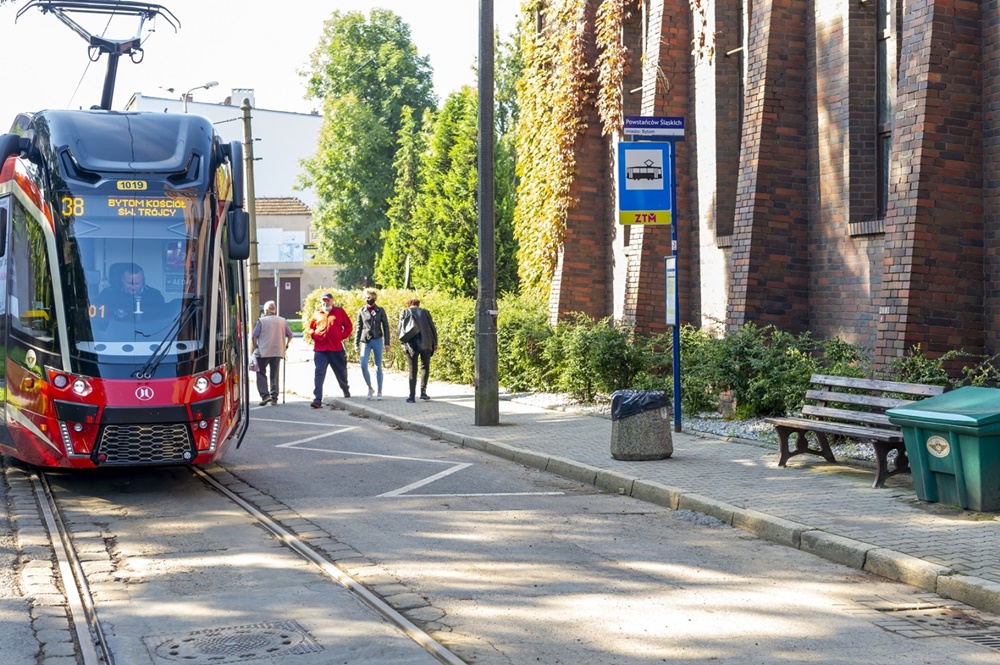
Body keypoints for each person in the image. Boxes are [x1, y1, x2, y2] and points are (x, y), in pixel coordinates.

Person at [307, 292, 353, 407]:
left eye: (327, 300)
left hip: (336, 349)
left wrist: (341, 336)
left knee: (341, 372)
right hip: (321, 350)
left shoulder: (339, 312)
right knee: (319, 373)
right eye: (323, 300)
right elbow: (310, 328)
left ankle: (345, 388)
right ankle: (317, 399)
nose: (325, 302)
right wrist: (314, 335)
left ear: (332, 301)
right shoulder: (317, 314)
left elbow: (349, 326)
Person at [252, 300, 293, 406]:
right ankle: (274, 397)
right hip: (278, 351)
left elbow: (254, 335)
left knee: (261, 372)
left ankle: (265, 396)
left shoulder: (262, 321)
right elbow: (290, 334)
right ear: (275, 310)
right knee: (274, 373)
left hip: (263, 351)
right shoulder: (282, 321)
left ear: (266, 310)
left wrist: (256, 346)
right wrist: (286, 345)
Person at [397, 297, 438, 403]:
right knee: (425, 367)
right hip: (426, 343)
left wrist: (403, 343)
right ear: (418, 304)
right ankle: (423, 392)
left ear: (408, 304)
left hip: (411, 344)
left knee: (412, 369)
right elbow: (432, 328)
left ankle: (411, 396)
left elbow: (400, 329)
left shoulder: (405, 312)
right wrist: (435, 343)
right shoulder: (425, 312)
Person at [354, 287, 390, 400]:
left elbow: (386, 327)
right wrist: (356, 343)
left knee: (378, 366)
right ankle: (370, 387)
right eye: (368, 297)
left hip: (377, 339)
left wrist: (387, 343)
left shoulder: (380, 310)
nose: (370, 299)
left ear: (375, 298)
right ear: (365, 298)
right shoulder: (362, 311)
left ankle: (380, 391)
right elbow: (359, 327)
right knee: (363, 364)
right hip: (366, 340)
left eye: (372, 297)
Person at [98, 262, 164, 322]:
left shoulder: (156, 298)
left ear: (143, 280)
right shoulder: (107, 296)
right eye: (129, 283)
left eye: (137, 283)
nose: (133, 287)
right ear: (122, 279)